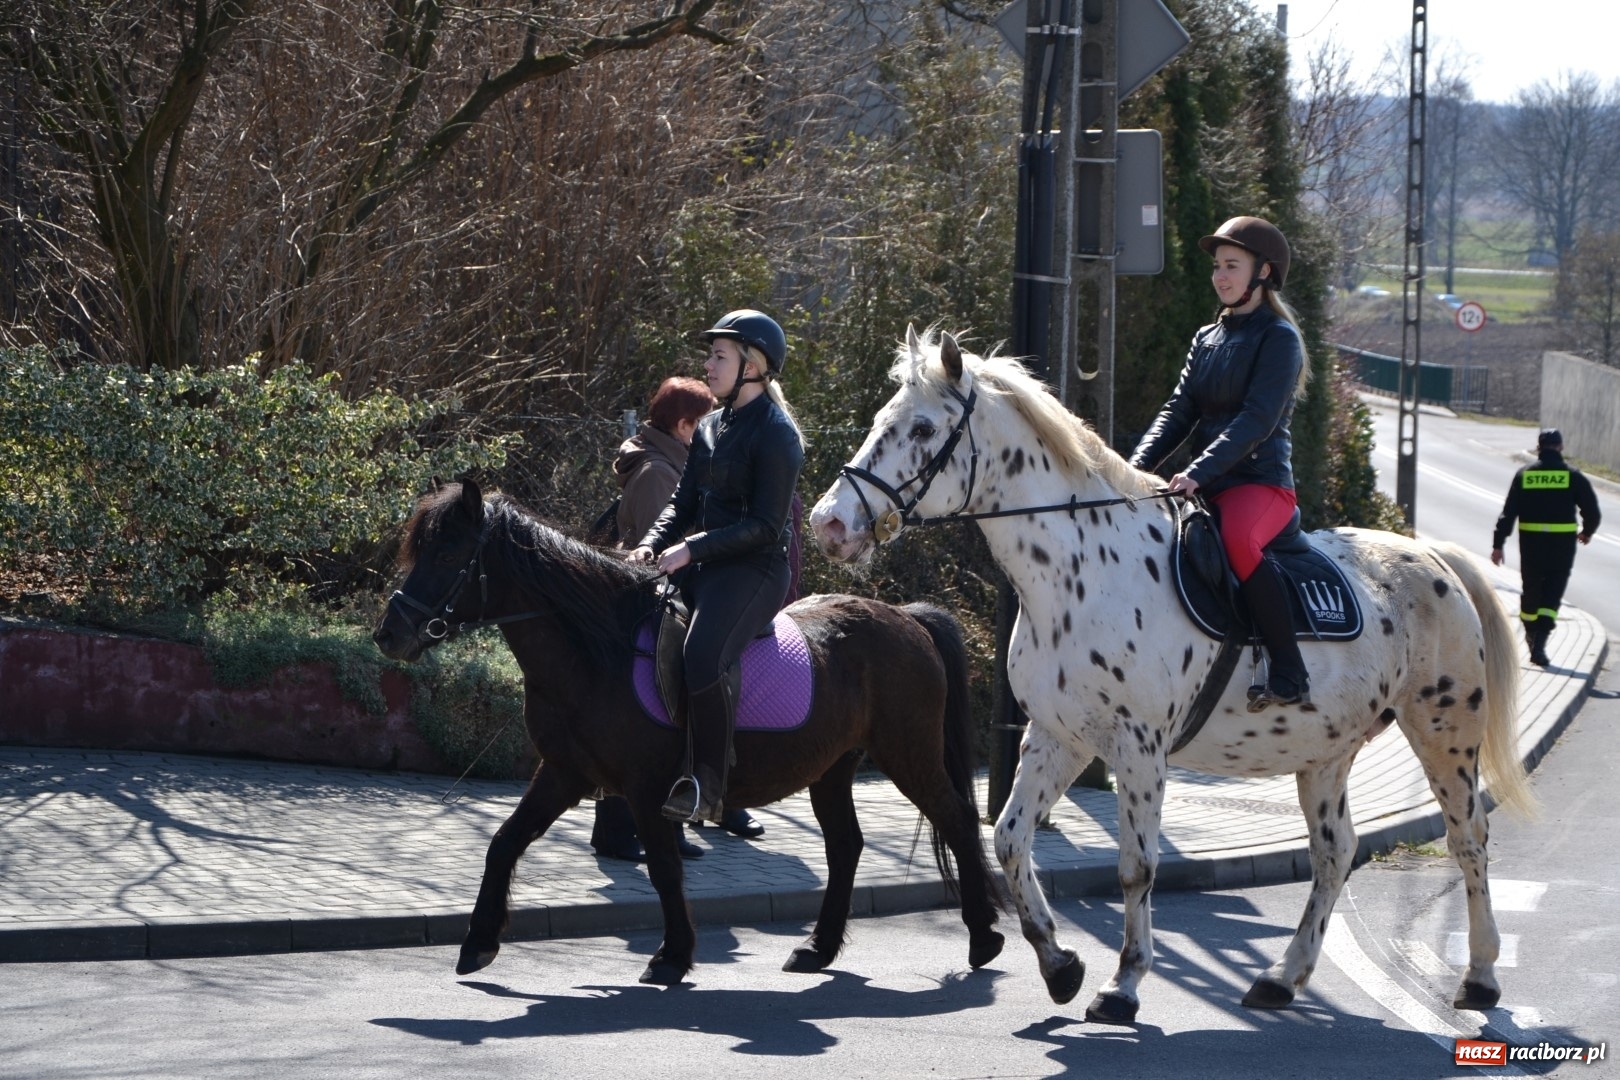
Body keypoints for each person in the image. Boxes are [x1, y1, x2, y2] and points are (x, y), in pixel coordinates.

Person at [629, 309, 806, 825]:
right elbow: (681, 503)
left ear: (753, 365)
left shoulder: (778, 434)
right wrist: (650, 544)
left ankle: (708, 784)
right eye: (710, 355)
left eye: (719, 356)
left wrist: (693, 549)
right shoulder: (708, 426)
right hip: (702, 564)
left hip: (752, 572)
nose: (708, 365)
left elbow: (767, 527)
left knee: (702, 656)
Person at [1129, 215, 1313, 712]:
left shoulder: (1279, 339)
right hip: (1206, 482)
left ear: (1264, 273)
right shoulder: (1205, 338)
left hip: (1260, 484)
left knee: (1237, 541)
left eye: (1232, 266)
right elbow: (1177, 412)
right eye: (1216, 266)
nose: (1220, 276)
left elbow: (1256, 420)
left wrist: (1198, 472)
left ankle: (1290, 671)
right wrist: (1129, 470)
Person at [590, 377, 718, 861]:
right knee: (650, 721)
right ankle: (625, 832)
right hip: (654, 609)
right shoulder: (661, 473)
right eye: (705, 424)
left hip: (662, 605)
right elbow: (656, 548)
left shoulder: (669, 462)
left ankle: (649, 828)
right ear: (684, 425)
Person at [1490, 428, 1601, 667]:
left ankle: (1532, 636)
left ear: (1539, 448)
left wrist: (1498, 545)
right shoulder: (1572, 476)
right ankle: (1540, 643)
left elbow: (1508, 514)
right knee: (1552, 594)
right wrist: (1587, 532)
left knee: (1531, 591)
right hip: (1561, 549)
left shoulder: (1525, 475)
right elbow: (1592, 511)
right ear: (1561, 447)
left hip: (1531, 547)